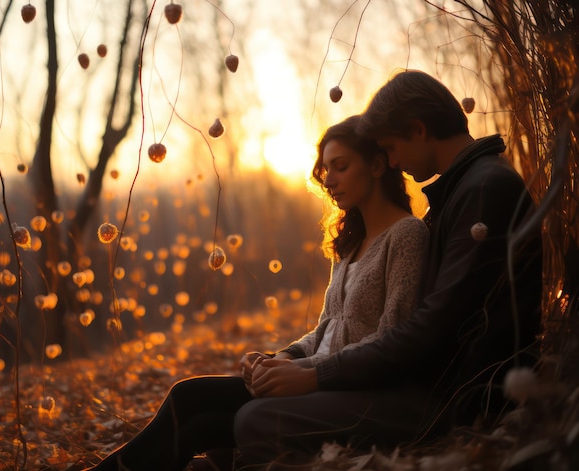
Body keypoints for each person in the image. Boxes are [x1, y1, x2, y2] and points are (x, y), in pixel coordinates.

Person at [233, 70, 542, 468]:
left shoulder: (484, 189)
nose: (392, 161)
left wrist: (316, 376)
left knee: (255, 419)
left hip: (454, 399)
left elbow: (432, 327)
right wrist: (288, 359)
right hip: (425, 384)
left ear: (418, 130)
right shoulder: (461, 191)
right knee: (223, 402)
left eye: (391, 148)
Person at [85, 115, 429, 471]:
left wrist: (305, 372)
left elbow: (391, 340)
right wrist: (282, 356)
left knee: (208, 417)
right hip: (313, 374)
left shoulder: (406, 235)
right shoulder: (350, 245)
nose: (330, 180)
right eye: (325, 169)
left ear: (375, 166)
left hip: (349, 387)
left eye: (340, 167)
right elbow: (326, 329)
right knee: (187, 396)